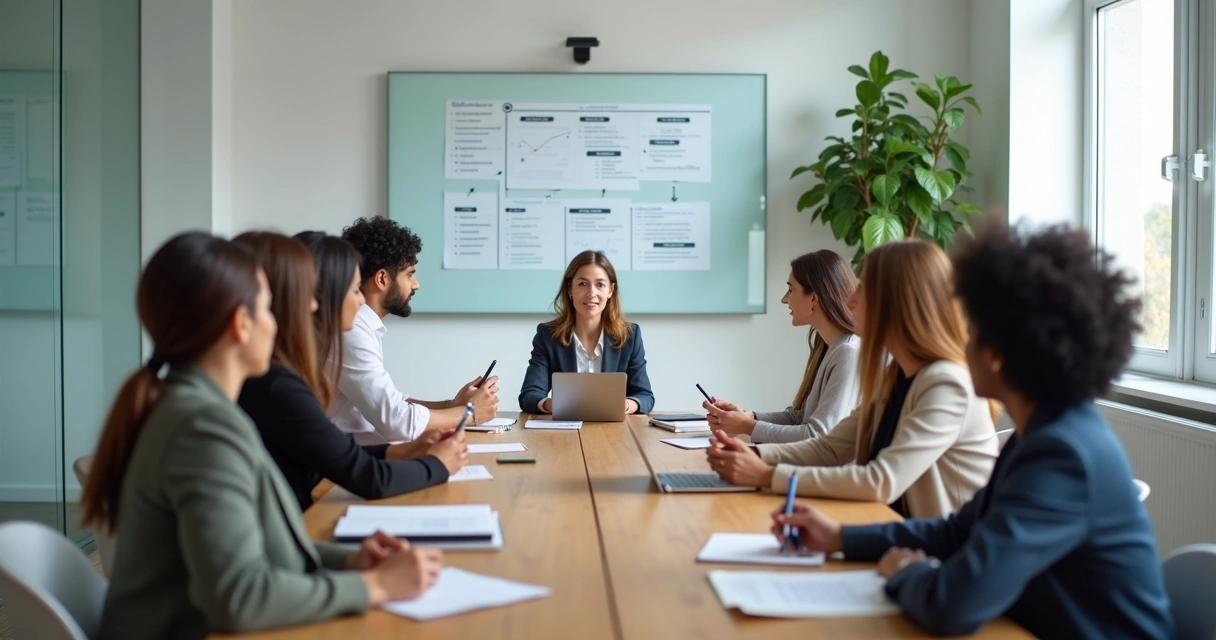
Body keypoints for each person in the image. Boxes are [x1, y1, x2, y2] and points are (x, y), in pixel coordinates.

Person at [769, 221, 1173, 639]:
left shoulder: (1061, 453)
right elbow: (957, 530)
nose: (960, 341)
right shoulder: (1045, 434)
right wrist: (840, 537)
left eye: (972, 329)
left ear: (1001, 351)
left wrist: (907, 570)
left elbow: (952, 605)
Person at [81, 233, 443, 640]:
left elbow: (253, 548)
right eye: (269, 307)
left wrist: (350, 561)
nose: (303, 310)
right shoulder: (202, 429)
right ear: (241, 324)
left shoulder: (200, 409)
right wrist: (376, 586)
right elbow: (240, 597)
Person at [706, 240, 998, 518]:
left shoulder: (946, 384)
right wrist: (752, 453)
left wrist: (766, 474)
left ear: (898, 303)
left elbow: (881, 481)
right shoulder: (897, 377)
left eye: (864, 288)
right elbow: (829, 447)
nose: (852, 299)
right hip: (899, 537)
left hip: (947, 557)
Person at [235, 232, 467, 511]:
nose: (361, 302)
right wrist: (438, 464)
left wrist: (399, 451)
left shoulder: (281, 378)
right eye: (355, 289)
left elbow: (316, 459)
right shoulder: (278, 385)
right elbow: (368, 476)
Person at [329, 217, 498, 445]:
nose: (416, 284)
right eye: (409, 274)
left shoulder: (363, 326)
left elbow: (394, 402)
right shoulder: (352, 331)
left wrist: (452, 405)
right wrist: (470, 413)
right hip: (346, 467)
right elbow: (397, 422)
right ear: (382, 279)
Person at [702, 250, 860, 443]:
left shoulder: (847, 353)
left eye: (791, 290)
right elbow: (798, 418)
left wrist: (747, 426)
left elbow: (817, 436)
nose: (784, 299)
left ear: (813, 299)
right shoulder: (827, 347)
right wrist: (748, 417)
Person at [519, 250, 655, 415]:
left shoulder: (630, 336)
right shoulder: (548, 335)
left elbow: (645, 396)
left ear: (610, 290)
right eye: (583, 284)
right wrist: (553, 405)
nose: (591, 293)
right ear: (570, 289)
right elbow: (529, 395)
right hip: (565, 431)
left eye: (600, 285)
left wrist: (625, 405)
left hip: (614, 432)